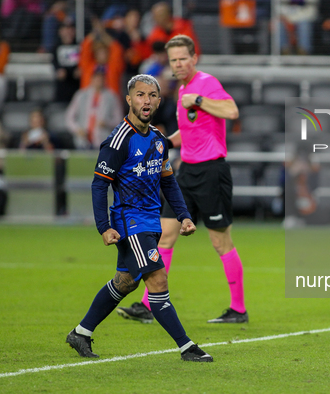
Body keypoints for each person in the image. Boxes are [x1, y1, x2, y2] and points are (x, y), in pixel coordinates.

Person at [65, 74, 212, 362]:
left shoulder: (158, 139)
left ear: (158, 101)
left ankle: (80, 333)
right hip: (128, 221)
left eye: (152, 95)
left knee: (126, 282)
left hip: (150, 221)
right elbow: (99, 184)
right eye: (140, 95)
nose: (146, 100)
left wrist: (183, 215)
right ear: (129, 100)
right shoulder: (119, 140)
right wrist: (104, 228)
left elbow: (168, 181)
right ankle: (186, 347)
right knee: (157, 279)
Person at [115, 35, 245, 324]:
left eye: (183, 58)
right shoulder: (183, 89)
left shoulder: (205, 84)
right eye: (173, 60)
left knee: (220, 242)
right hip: (185, 171)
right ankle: (149, 305)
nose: (178, 64)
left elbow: (232, 111)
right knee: (164, 235)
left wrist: (199, 100)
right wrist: (161, 143)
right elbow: (187, 133)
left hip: (212, 171)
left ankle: (238, 310)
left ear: (194, 58)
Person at [65, 67, 123, 149]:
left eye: (101, 78)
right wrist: (78, 130)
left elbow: (119, 120)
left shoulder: (112, 97)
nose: (99, 81)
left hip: (103, 140)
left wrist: (106, 123)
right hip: (82, 140)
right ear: (92, 79)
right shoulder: (81, 95)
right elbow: (69, 118)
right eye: (97, 78)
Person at [52, 18, 80, 103]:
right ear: (60, 31)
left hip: (77, 87)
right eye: (66, 29)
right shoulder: (56, 47)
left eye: (71, 29)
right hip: (62, 89)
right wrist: (59, 71)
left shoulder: (79, 46)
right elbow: (55, 64)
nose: (69, 32)